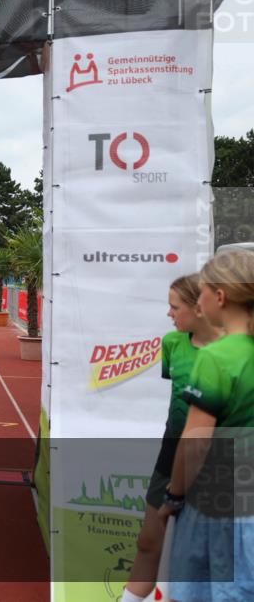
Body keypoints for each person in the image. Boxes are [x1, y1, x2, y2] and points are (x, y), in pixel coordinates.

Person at [159, 251, 254, 602]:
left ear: (220, 297)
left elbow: (195, 443)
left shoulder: (217, 358)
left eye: (200, 293)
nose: (197, 301)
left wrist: (174, 494)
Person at [122, 274, 222, 602]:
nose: (169, 313)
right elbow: (179, 400)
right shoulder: (172, 343)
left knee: (204, 560)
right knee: (148, 540)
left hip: (219, 464)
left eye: (174, 307)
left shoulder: (235, 351)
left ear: (200, 307)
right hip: (171, 454)